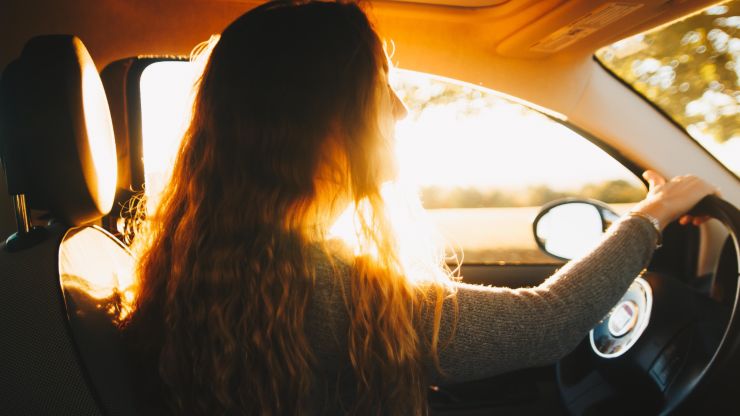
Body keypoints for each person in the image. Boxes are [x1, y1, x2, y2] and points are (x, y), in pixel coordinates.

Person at [121, 1, 719, 415]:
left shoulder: (204, 263)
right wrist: (655, 212)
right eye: (378, 92)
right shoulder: (333, 291)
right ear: (316, 128)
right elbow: (550, 321)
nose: (401, 113)